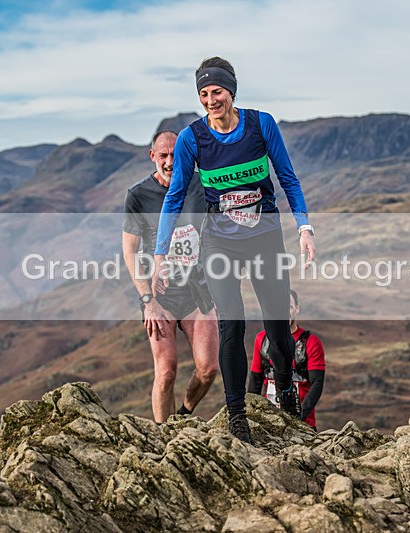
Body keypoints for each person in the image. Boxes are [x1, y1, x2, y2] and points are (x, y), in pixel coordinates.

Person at [152, 56, 316, 443]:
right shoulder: (193, 138)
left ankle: (287, 393)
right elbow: (174, 196)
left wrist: (304, 228)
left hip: (264, 237)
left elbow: (288, 178)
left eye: (218, 92)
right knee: (232, 325)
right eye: (204, 93)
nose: (211, 100)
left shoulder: (261, 125)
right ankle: (237, 412)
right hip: (220, 242)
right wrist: (159, 254)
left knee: (277, 330)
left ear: (232, 92)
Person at [122, 130, 219, 423]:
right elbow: (130, 252)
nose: (169, 161)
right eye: (163, 155)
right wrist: (147, 300)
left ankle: (183, 414)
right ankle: (163, 436)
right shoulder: (138, 196)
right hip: (160, 297)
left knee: (208, 369)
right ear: (152, 156)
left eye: (176, 155)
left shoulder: (200, 186)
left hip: (198, 293)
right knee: (165, 372)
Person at [248, 290, 325, 430]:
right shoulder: (262, 339)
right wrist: (250, 415)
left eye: (288, 307)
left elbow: (317, 383)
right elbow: (255, 379)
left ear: (297, 308)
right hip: (269, 422)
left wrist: (298, 417)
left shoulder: (312, 343)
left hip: (303, 424)